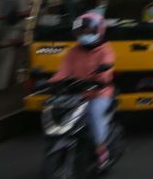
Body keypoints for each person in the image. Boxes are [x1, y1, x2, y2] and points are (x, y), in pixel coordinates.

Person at [48, 12, 115, 170]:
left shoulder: (106, 50)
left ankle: (101, 150)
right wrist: (51, 83)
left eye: (88, 32)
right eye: (81, 32)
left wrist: (100, 79)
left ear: (99, 31)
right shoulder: (73, 52)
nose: (84, 36)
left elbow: (106, 70)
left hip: (100, 93)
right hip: (77, 94)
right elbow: (63, 71)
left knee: (94, 115)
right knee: (60, 113)